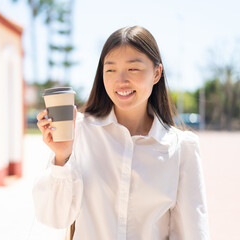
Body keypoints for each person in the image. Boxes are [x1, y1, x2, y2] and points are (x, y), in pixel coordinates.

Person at [32, 26, 210, 240]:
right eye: (110, 69)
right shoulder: (79, 132)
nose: (121, 80)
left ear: (156, 73)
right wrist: (61, 156)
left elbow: (192, 233)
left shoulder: (182, 149)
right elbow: (54, 218)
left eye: (133, 69)